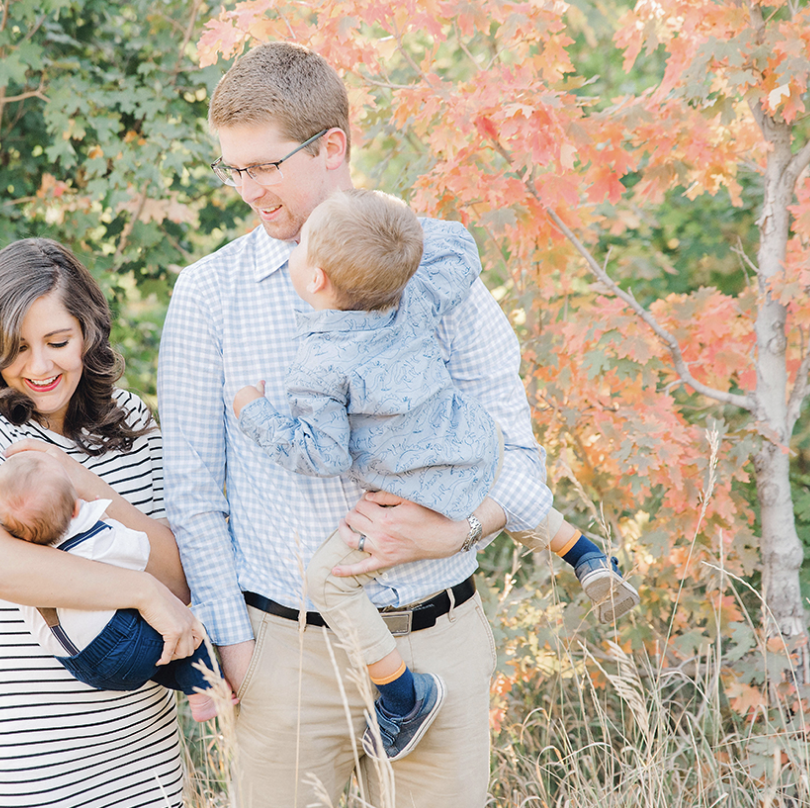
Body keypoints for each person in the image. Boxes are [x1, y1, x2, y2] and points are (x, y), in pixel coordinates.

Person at [157, 42, 637, 808]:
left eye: (263, 167)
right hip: (287, 650)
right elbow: (188, 487)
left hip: (436, 636)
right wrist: (239, 653)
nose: (246, 190)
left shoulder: (429, 269)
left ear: (333, 147)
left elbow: (512, 445)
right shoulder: (208, 294)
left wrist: (460, 530)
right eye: (233, 169)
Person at [231, 189, 638, 760]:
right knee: (504, 489)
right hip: (468, 442)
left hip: (412, 485)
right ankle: (587, 555)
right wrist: (389, 227)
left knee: (327, 580)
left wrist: (254, 411)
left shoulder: (320, 362)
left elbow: (321, 456)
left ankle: (399, 693)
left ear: (317, 279)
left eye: (300, 250)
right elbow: (459, 245)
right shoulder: (415, 291)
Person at [0, 237, 203, 808]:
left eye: (58, 341)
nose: (40, 366)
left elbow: (181, 574)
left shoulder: (129, 418)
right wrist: (138, 590)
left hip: (143, 765)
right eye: (17, 348)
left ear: (88, 332)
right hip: (25, 769)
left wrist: (86, 486)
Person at [0, 451, 219, 721]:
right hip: (120, 647)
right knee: (182, 623)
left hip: (78, 663)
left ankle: (187, 682)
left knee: (155, 651)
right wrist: (111, 520)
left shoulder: (27, 564)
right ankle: (204, 691)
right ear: (76, 509)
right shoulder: (94, 535)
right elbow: (141, 552)